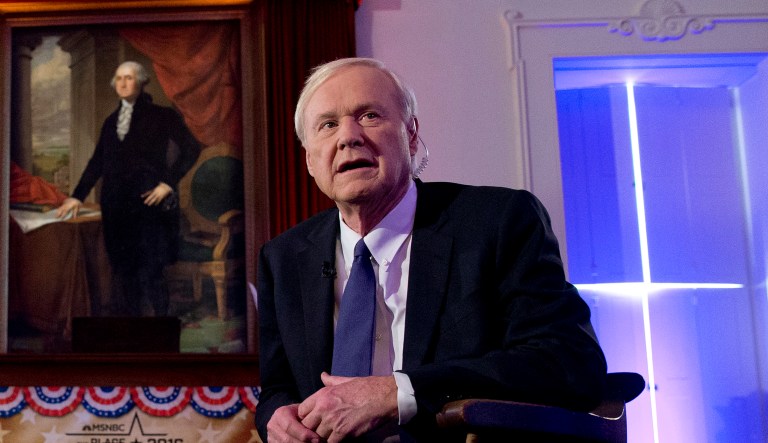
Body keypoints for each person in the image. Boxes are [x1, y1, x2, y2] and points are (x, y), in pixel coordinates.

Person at [256, 57, 607, 442]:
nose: (348, 137)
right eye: (327, 125)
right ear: (309, 158)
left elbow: (569, 361)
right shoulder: (284, 258)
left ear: (410, 134)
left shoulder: (498, 222)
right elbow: (278, 389)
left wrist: (397, 393)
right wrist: (277, 418)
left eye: (370, 116)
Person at [56, 61, 201, 317]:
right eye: (119, 78)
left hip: (148, 205)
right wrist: (77, 197)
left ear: (141, 81)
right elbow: (97, 162)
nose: (123, 83)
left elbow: (191, 149)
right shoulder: (111, 122)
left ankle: (161, 329)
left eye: (129, 78)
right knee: (124, 272)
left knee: (152, 270)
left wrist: (167, 184)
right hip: (115, 207)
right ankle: (133, 332)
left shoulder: (162, 115)